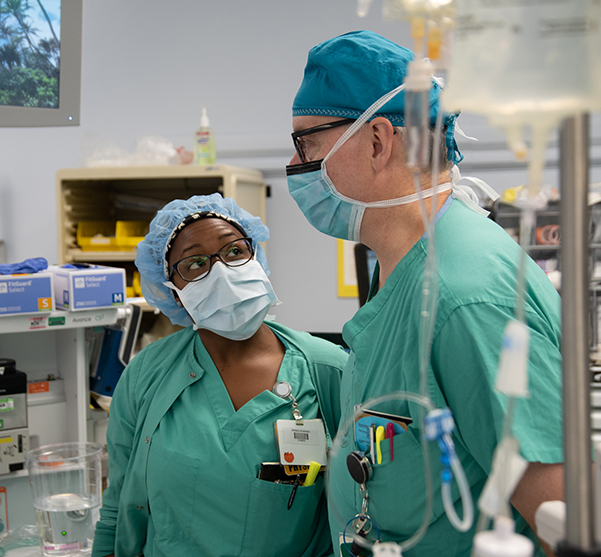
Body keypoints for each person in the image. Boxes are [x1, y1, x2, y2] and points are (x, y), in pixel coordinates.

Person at [285, 31, 563, 556]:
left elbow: (558, 518)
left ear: (377, 143)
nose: (297, 165)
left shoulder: (467, 298)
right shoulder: (402, 264)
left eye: (307, 143)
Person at [92, 193, 347, 557]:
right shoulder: (147, 374)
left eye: (233, 252)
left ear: (256, 257)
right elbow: (117, 506)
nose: (222, 272)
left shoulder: (326, 370)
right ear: (174, 293)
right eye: (195, 264)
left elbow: (362, 501)